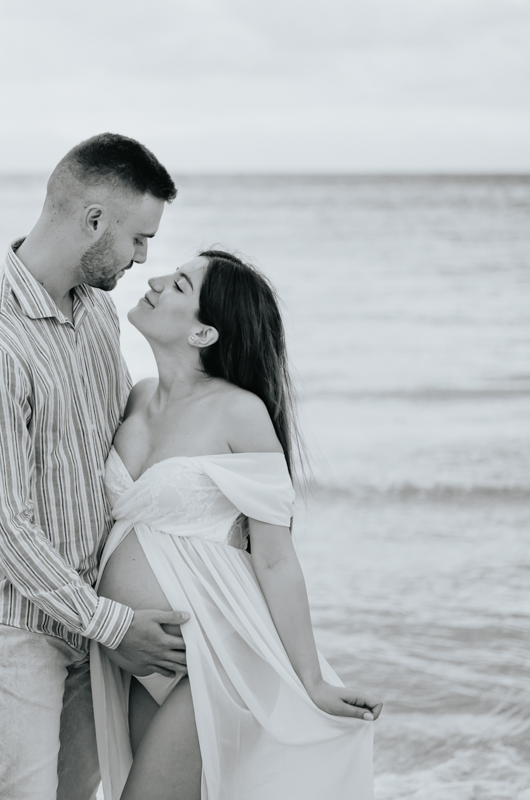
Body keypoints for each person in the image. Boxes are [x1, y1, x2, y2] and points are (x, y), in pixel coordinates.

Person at [0, 133, 187, 800]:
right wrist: (113, 625)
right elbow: (3, 526)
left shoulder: (98, 312)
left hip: (94, 614)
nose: (143, 257)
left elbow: (123, 449)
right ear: (94, 221)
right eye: (139, 238)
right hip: (15, 626)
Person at [91, 250, 382, 800]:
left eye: (177, 284)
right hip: (142, 654)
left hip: (216, 650)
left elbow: (274, 557)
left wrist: (311, 680)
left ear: (204, 332)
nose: (153, 280)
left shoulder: (239, 412)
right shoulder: (138, 395)